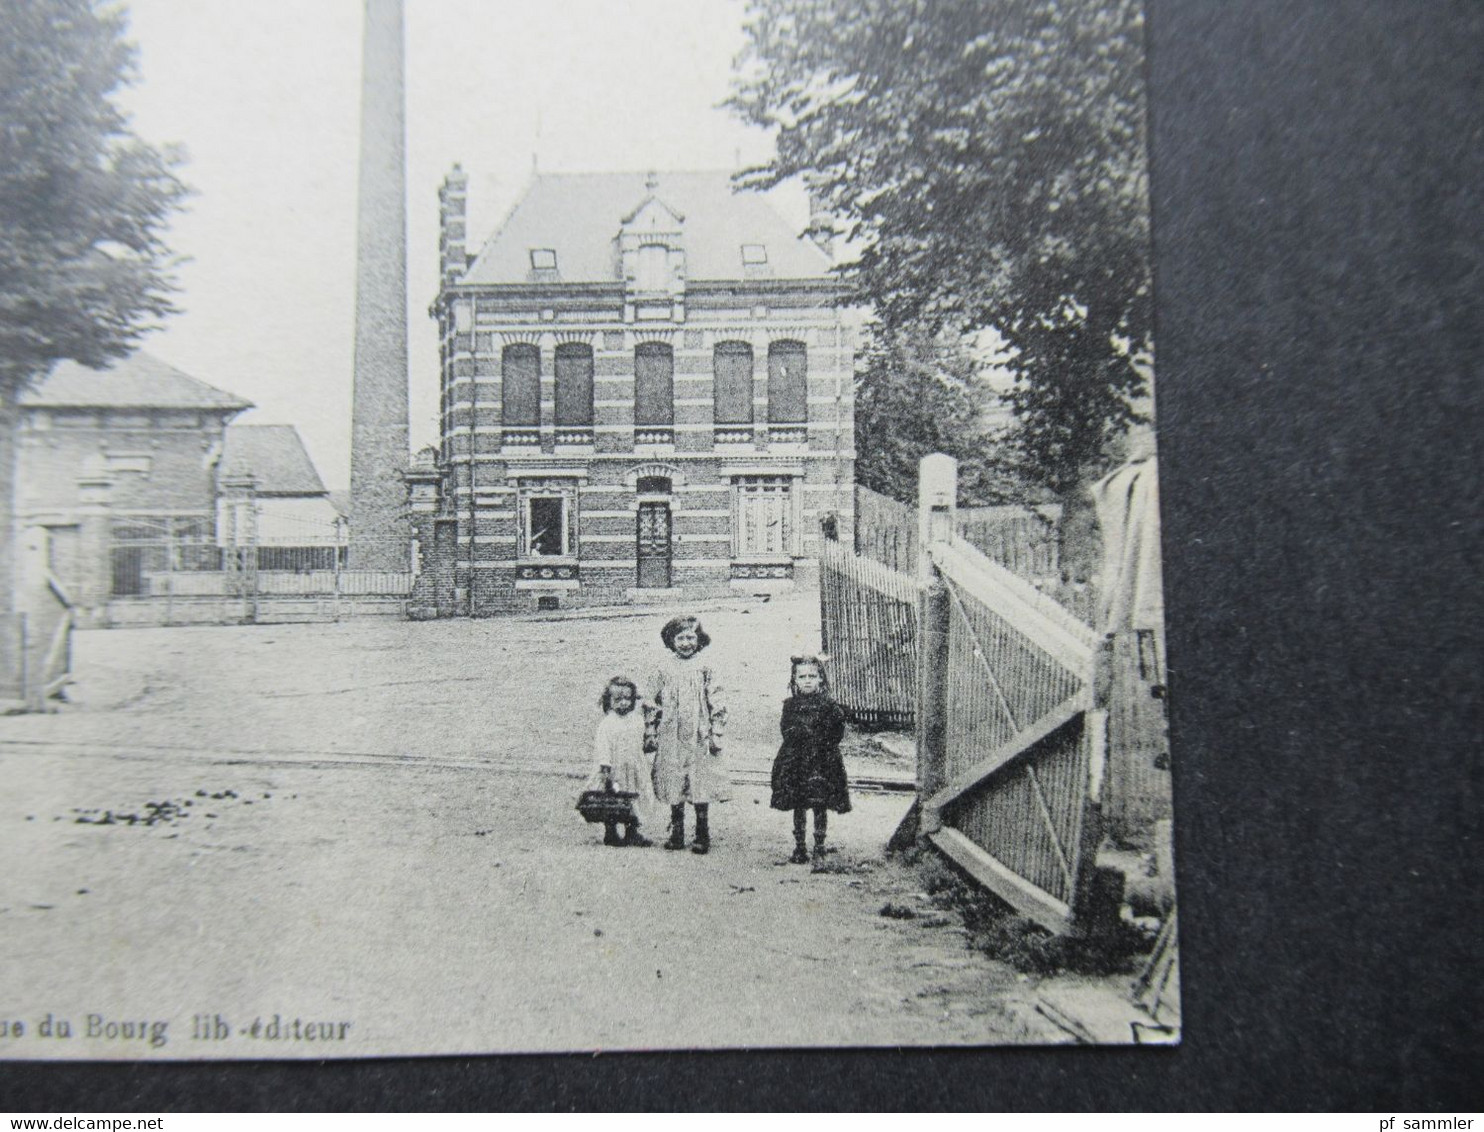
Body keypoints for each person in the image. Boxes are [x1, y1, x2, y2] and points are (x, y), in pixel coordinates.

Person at [650, 615, 728, 854]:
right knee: (674, 779)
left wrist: (717, 731)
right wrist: (651, 729)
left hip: (698, 733)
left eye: (690, 637)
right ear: (670, 640)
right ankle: (677, 831)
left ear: (699, 639)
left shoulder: (705, 667)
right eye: (680, 638)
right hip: (671, 734)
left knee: (699, 780)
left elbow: (717, 699)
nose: (686, 643)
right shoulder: (663, 669)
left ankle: (702, 832)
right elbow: (652, 701)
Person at [770, 654, 851, 863]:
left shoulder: (830, 706)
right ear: (794, 680)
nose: (807, 680)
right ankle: (800, 846)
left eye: (812, 676)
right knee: (798, 802)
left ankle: (820, 845)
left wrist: (821, 741)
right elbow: (786, 730)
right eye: (802, 676)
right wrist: (800, 735)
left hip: (823, 761)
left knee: (820, 802)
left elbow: (837, 732)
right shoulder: (790, 705)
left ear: (820, 679)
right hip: (796, 760)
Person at [580, 676, 655, 847]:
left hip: (634, 768)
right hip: (615, 769)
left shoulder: (637, 720)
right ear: (609, 700)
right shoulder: (607, 723)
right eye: (618, 699)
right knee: (612, 800)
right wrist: (605, 766)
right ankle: (611, 832)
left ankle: (632, 832)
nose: (623, 703)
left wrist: (649, 739)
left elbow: (644, 740)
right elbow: (602, 746)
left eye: (627, 699)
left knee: (633, 800)